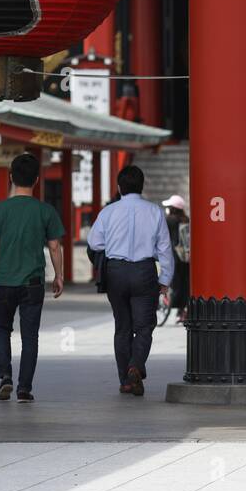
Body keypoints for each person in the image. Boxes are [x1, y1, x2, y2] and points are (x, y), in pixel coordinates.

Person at [0, 153, 66, 404]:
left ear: (11, 178)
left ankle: (5, 376)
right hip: (33, 284)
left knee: (2, 329)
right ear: (37, 180)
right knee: (30, 337)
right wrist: (58, 276)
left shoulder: (0, 210)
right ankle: (24, 388)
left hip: (5, 282)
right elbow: (54, 246)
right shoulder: (45, 211)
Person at [88, 165, 175, 395]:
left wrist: (115, 244)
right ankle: (135, 366)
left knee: (122, 327)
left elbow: (95, 243)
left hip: (115, 272)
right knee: (145, 326)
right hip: (144, 271)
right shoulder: (154, 211)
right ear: (142, 186)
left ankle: (126, 380)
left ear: (119, 187)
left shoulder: (108, 212)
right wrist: (165, 278)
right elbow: (165, 249)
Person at [162, 194, 190, 326]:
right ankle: (183, 311)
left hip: (174, 257)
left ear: (173, 208)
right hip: (186, 256)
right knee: (185, 284)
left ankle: (174, 305)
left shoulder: (169, 220)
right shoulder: (186, 219)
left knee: (175, 284)